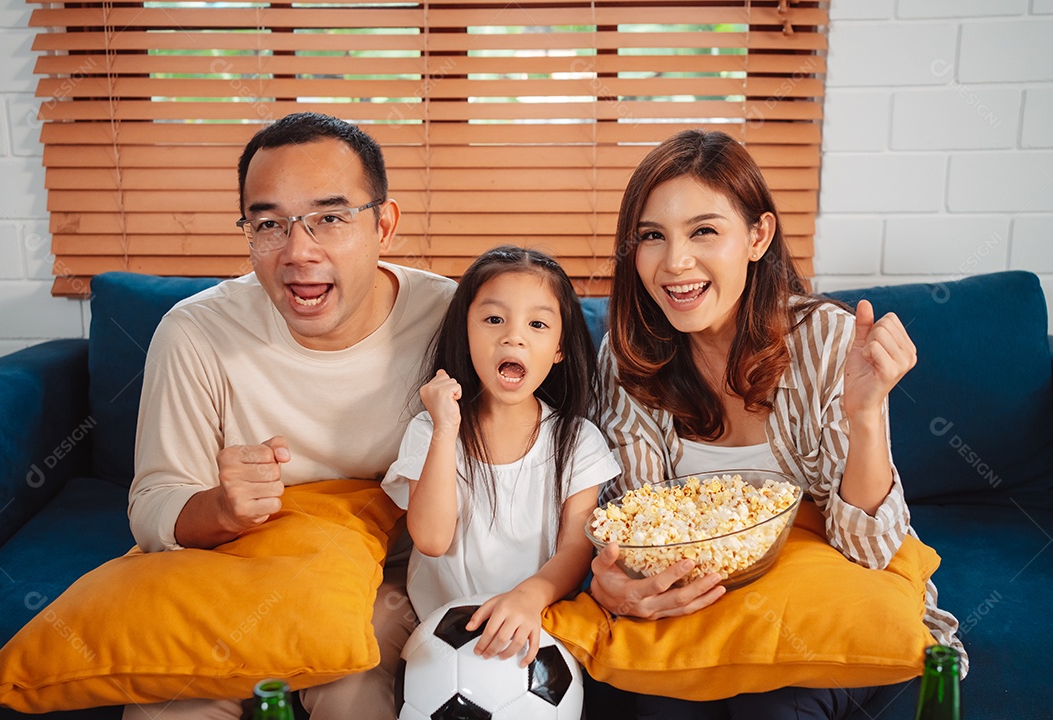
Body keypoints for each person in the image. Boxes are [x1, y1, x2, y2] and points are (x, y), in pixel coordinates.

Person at [588, 129, 966, 719]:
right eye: (652, 236)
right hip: (698, 611)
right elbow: (640, 531)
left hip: (814, 605)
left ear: (758, 236)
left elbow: (869, 549)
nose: (674, 262)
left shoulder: (829, 342)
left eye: (704, 231)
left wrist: (866, 416)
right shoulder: (626, 355)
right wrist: (611, 583)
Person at [126, 112, 456, 720]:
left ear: (384, 224)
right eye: (270, 224)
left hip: (376, 580)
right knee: (172, 704)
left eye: (330, 218)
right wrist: (219, 509)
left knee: (356, 668)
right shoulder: (195, 331)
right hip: (233, 571)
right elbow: (153, 504)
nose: (298, 252)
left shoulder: (454, 321)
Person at [382, 246, 621, 665]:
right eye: (494, 319)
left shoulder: (579, 440)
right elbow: (432, 540)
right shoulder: (430, 430)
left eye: (537, 324)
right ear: (466, 333)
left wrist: (530, 595)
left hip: (536, 625)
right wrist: (445, 428)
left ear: (560, 348)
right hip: (440, 634)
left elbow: (574, 549)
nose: (514, 336)